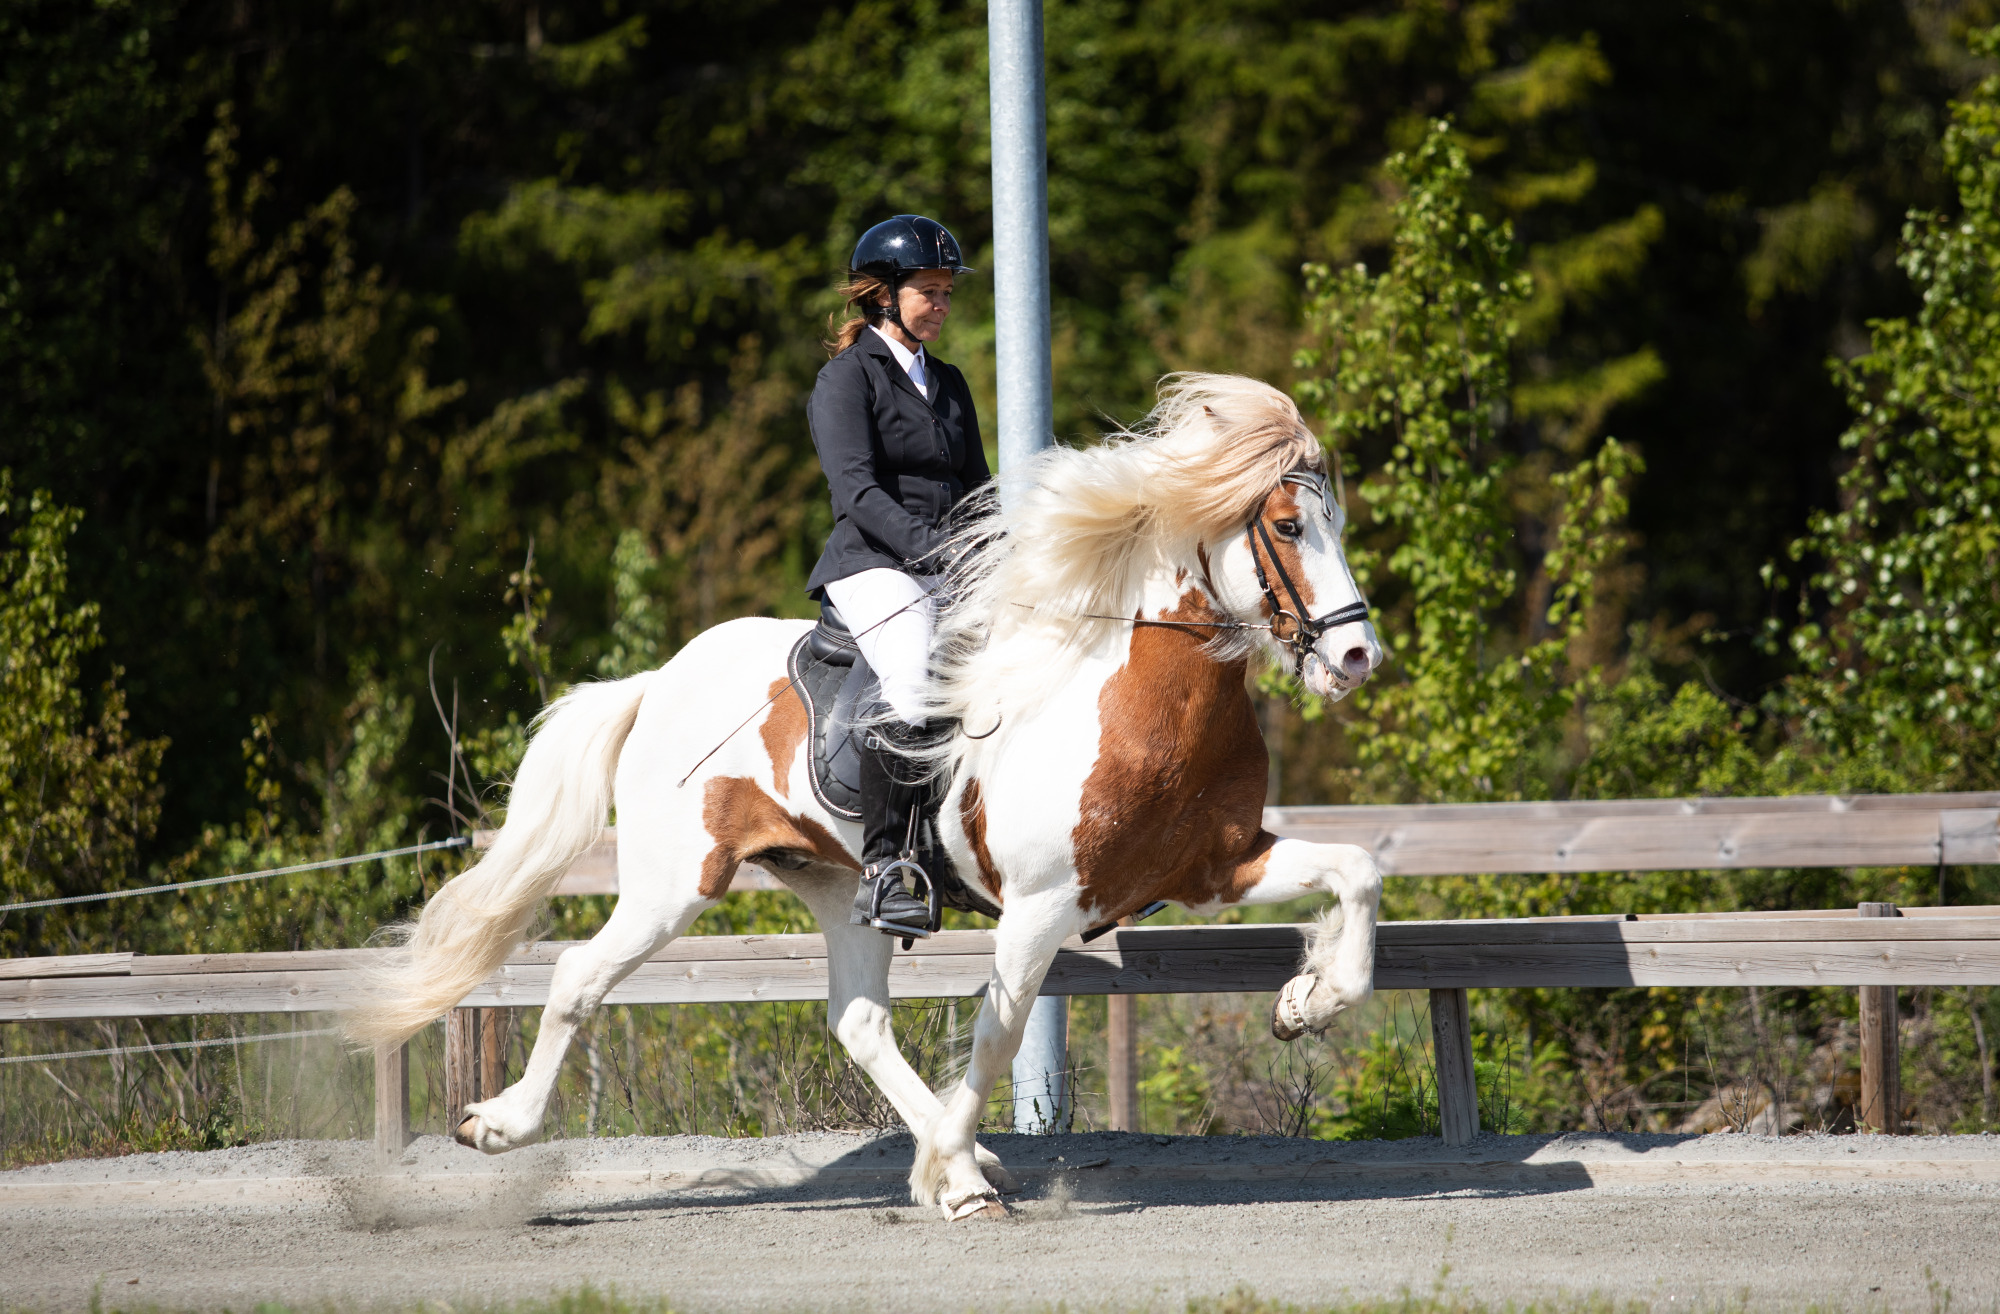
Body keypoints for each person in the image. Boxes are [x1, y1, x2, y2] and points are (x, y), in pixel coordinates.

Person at [806, 214, 991, 940]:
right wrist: (937, 550)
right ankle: (889, 866)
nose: (941, 306)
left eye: (947, 294)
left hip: (948, 562)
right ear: (882, 294)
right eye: (929, 292)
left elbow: (978, 484)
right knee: (914, 681)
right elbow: (856, 491)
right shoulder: (845, 380)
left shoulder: (947, 383)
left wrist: (1004, 547)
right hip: (873, 565)